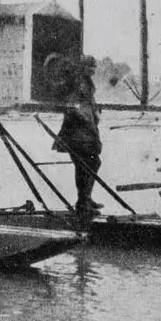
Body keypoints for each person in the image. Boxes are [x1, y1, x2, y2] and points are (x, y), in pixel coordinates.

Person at [47, 54, 105, 215]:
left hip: (86, 132)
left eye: (94, 67)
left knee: (90, 164)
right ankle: (83, 201)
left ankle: (85, 199)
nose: (93, 70)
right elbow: (73, 105)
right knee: (85, 165)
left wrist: (94, 113)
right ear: (83, 67)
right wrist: (87, 118)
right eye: (90, 66)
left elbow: (88, 103)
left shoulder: (86, 82)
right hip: (77, 132)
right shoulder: (77, 82)